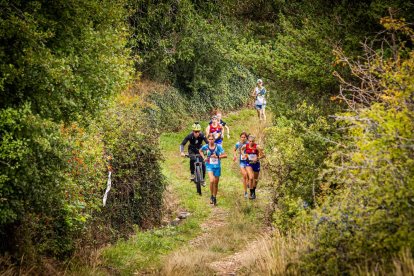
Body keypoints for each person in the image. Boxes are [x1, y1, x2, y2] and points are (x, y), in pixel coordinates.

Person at [200, 133, 227, 205]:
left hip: (217, 167)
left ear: (214, 140)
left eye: (212, 139)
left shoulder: (218, 147)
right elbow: (200, 151)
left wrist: (217, 157)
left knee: (216, 183)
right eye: (209, 139)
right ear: (207, 140)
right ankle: (211, 196)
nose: (211, 141)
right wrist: (204, 157)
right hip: (209, 166)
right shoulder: (205, 146)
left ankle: (215, 197)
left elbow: (225, 155)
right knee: (212, 180)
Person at [241, 135, 265, 199]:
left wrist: (257, 158)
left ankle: (253, 191)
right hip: (248, 163)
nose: (251, 142)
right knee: (251, 177)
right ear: (248, 141)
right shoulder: (245, 146)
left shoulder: (257, 147)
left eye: (252, 141)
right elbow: (242, 150)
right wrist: (244, 155)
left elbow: (263, 155)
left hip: (256, 164)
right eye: (250, 141)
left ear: (254, 141)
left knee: (255, 179)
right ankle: (251, 193)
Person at [233, 132, 249, 198]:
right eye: (242, 137)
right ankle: (245, 192)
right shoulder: (238, 144)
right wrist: (235, 156)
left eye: (244, 137)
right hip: (242, 162)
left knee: (248, 175)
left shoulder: (249, 143)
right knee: (244, 175)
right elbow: (234, 150)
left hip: (248, 161)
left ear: (246, 138)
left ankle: (248, 183)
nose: (243, 138)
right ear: (240, 138)